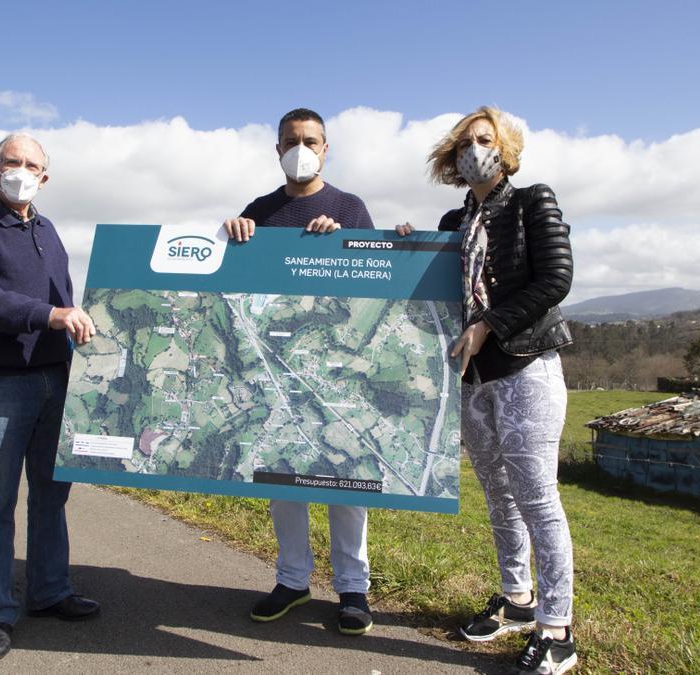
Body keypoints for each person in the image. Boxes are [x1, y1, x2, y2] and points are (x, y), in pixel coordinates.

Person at [398, 106, 577, 674]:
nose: (475, 149)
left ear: (506, 149)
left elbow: (556, 279)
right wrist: (407, 245)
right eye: (465, 144)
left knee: (537, 498)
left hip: (526, 368)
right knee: (500, 498)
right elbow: (434, 284)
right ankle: (518, 600)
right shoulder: (454, 221)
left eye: (485, 139)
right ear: (452, 159)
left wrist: (489, 324)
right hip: (474, 379)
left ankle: (558, 628)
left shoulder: (533, 202)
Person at [0, 132, 99, 663]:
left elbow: (67, 302)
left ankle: (50, 592)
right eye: (12, 161)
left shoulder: (49, 231)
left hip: (56, 381)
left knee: (52, 497)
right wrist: (48, 316)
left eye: (32, 164)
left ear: (45, 177)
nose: (21, 170)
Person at [223, 108, 376, 635]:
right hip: (276, 363)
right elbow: (238, 280)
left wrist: (340, 245)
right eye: (291, 141)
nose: (301, 148)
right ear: (277, 149)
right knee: (282, 472)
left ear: (326, 147)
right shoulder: (260, 210)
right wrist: (232, 233)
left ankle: (353, 589)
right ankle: (292, 579)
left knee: (345, 476)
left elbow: (374, 282)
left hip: (333, 364)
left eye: (310, 140)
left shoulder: (350, 208)